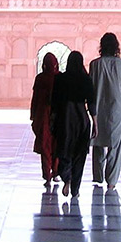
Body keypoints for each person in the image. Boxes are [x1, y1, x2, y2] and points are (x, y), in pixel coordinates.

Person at [88, 32, 121, 190]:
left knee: (98, 141)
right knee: (116, 144)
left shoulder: (95, 64)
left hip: (98, 108)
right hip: (116, 108)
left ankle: (98, 177)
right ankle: (111, 181)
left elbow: (91, 87)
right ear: (116, 47)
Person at [50, 50, 94, 198]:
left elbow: (54, 102)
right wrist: (95, 123)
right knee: (79, 155)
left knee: (64, 152)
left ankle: (66, 178)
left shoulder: (60, 79)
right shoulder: (86, 79)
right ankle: (75, 189)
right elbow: (92, 103)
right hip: (81, 120)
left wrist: (52, 121)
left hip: (65, 120)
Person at [30, 51, 61, 184]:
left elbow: (35, 99)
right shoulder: (59, 77)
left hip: (43, 116)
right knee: (56, 144)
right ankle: (55, 172)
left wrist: (33, 115)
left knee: (45, 145)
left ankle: (46, 174)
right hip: (57, 115)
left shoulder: (40, 78)